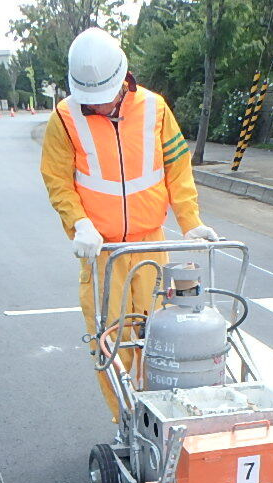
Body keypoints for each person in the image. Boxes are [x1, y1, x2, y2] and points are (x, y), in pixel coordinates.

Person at [41, 27, 218, 421]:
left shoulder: (155, 109)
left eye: (105, 100)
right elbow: (57, 180)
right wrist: (79, 223)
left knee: (165, 337)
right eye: (93, 102)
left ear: (123, 79)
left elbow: (177, 166)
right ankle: (129, 426)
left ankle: (168, 418)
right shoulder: (65, 119)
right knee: (112, 343)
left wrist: (190, 221)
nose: (99, 108)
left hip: (152, 245)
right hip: (103, 253)